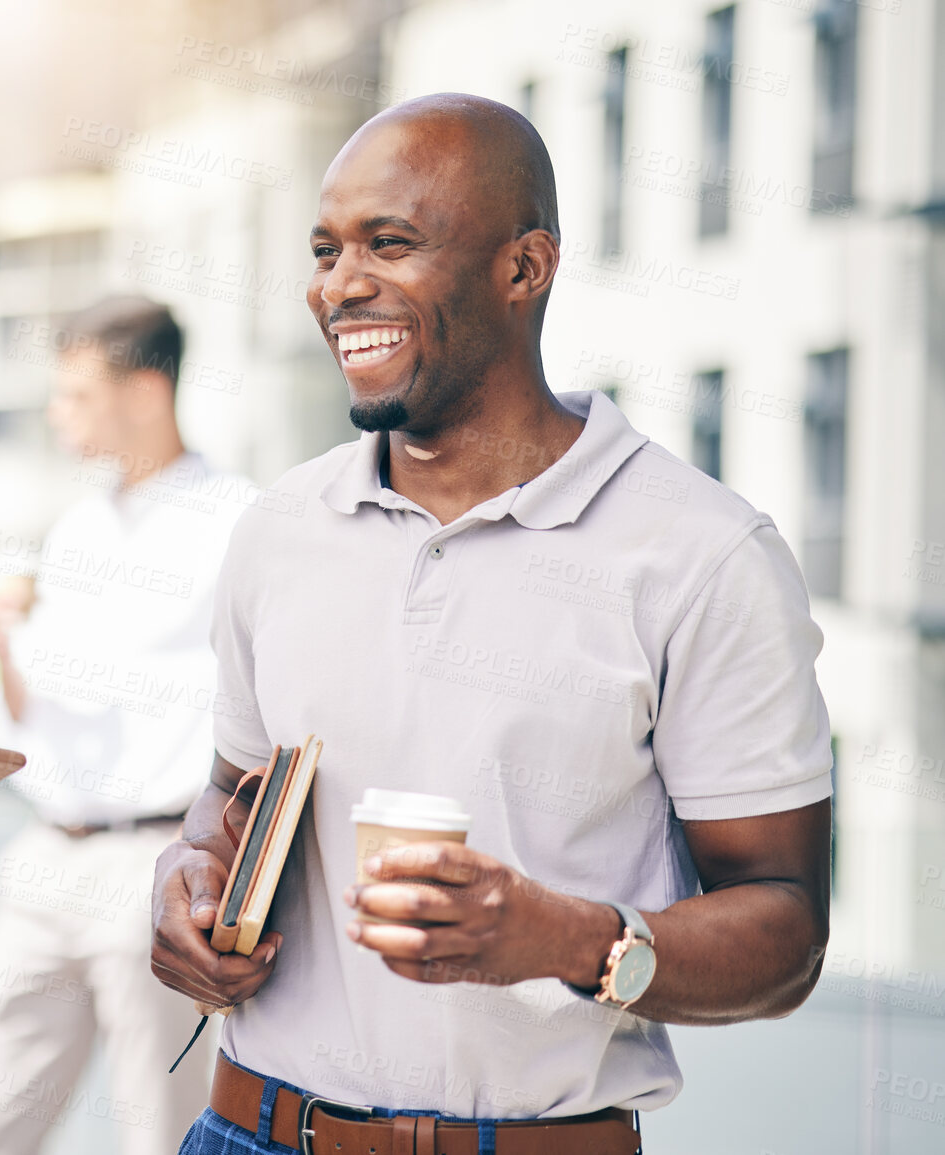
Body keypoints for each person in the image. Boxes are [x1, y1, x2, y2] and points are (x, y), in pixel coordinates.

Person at [151, 94, 833, 1154]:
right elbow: (225, 800)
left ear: (526, 268)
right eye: (327, 250)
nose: (340, 287)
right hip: (248, 1132)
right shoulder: (279, 530)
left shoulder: (704, 556)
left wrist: (564, 939)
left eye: (391, 243)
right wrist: (185, 886)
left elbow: (784, 932)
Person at [0, 297, 247, 1155]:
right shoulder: (78, 525)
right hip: (44, 851)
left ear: (146, 391)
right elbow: (30, 708)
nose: (56, 413)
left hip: (156, 859)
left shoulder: (237, 520)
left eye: (76, 393)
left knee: (160, 1132)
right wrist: (2, 637)